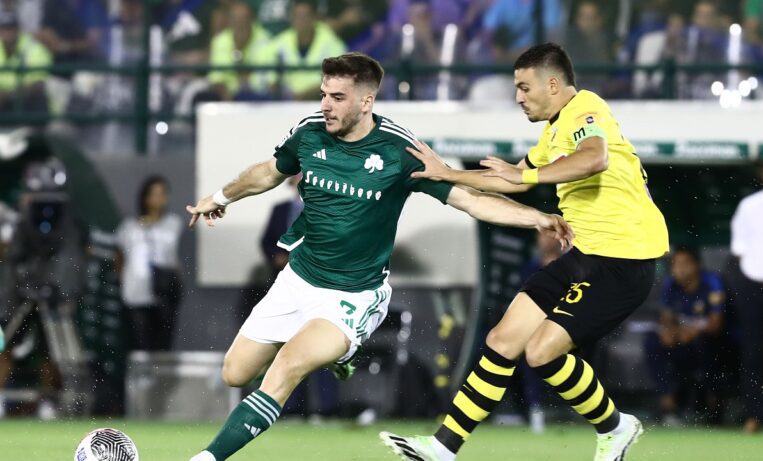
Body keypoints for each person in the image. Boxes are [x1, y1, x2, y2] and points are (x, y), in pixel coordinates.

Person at [185, 52, 572, 461]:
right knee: (235, 373)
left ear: (366, 101)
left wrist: (536, 218)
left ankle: (206, 458)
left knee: (286, 367)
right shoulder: (309, 132)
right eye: (324, 94)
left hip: (351, 296)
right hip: (297, 279)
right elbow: (268, 171)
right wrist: (219, 197)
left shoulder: (399, 150)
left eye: (337, 97)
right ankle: (335, 356)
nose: (326, 105)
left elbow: (471, 200)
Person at [380, 42, 668, 461]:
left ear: (552, 84)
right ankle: (443, 448)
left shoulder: (586, 109)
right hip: (585, 254)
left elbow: (594, 159)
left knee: (540, 352)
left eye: (524, 87)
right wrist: (447, 173)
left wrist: (525, 176)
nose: (518, 96)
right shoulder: (553, 132)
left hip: (623, 260)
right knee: (503, 338)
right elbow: (513, 179)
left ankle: (616, 426)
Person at [644, 246, 725, 426]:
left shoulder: (712, 282)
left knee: (705, 344)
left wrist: (693, 331)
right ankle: (668, 405)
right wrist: (668, 330)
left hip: (712, 342)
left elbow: (716, 324)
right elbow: (666, 317)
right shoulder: (670, 283)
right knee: (653, 341)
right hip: (683, 343)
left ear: (697, 265)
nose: (680, 269)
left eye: (685, 263)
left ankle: (714, 407)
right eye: (676, 264)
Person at [116, 176, 183, 351]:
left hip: (164, 292)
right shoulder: (129, 227)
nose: (158, 199)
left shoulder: (173, 224)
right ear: (145, 197)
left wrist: (176, 284)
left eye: (162, 194)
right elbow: (120, 258)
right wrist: (124, 279)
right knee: (140, 344)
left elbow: (174, 257)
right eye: (154, 194)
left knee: (162, 345)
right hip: (136, 293)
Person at [730, 161, 763, 433]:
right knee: (753, 352)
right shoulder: (749, 205)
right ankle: (755, 415)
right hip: (754, 285)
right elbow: (739, 249)